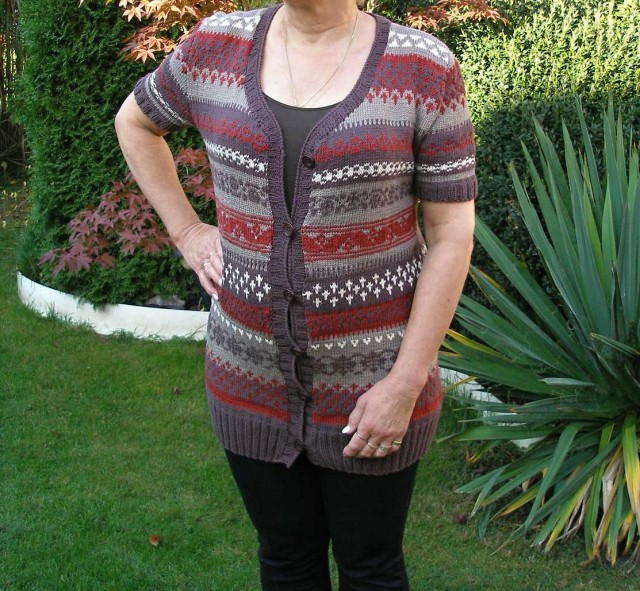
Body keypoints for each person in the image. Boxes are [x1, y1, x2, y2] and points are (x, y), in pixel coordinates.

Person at [115, 0, 476, 588]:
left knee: (371, 568)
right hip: (248, 376)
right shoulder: (217, 45)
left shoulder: (422, 67)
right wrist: (186, 231)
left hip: (375, 383)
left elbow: (451, 235)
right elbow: (135, 121)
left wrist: (406, 383)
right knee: (285, 559)